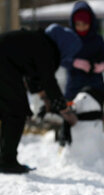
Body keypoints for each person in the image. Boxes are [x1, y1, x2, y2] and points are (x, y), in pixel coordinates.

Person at [0, 24, 82, 174]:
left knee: (9, 110)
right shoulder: (46, 47)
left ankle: (5, 159)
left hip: (5, 65)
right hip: (4, 66)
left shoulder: (37, 42)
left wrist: (46, 98)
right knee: (15, 112)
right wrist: (65, 109)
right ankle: (7, 161)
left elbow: (34, 78)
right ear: (66, 46)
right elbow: (48, 80)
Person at [64, 0, 104, 101]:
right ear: (73, 23)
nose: (81, 28)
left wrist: (102, 65)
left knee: (94, 114)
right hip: (74, 87)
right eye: (78, 24)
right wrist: (74, 62)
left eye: (84, 24)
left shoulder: (97, 39)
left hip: (95, 86)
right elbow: (60, 58)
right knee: (73, 113)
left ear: (90, 22)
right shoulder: (68, 38)